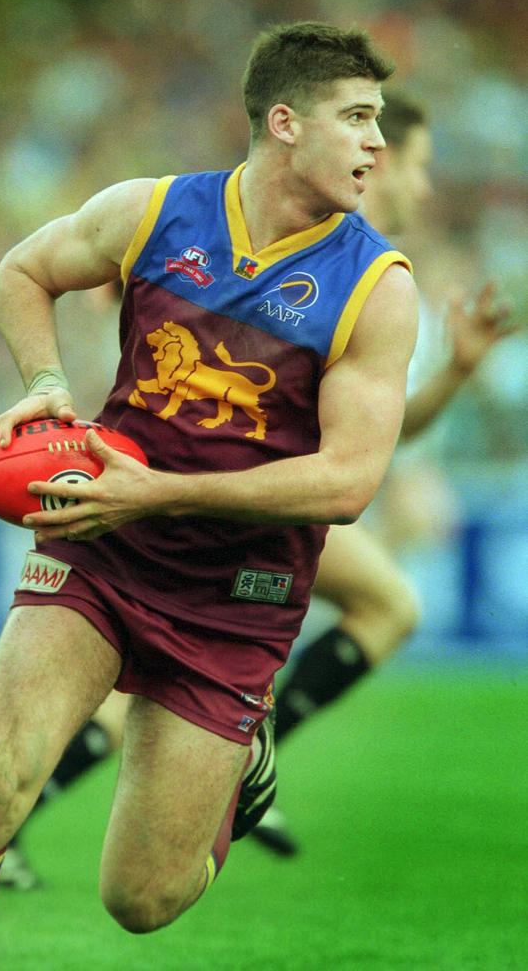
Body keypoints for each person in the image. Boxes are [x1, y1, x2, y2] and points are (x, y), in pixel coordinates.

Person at [0, 21, 418, 968]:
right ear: (285, 122)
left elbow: (348, 482)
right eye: (358, 117)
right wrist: (46, 385)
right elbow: (24, 269)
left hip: (238, 600)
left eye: (378, 120)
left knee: (141, 901)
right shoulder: (154, 213)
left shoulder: (376, 287)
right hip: (100, 547)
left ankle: (243, 760)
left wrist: (158, 493)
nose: (378, 141)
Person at [250, 90, 515, 855]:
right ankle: (244, 759)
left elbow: (385, 428)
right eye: (423, 165)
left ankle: (243, 758)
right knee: (385, 605)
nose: (427, 187)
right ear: (383, 158)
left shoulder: (377, 269)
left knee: (384, 606)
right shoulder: (341, 253)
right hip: (258, 489)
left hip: (282, 492)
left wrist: (457, 374)